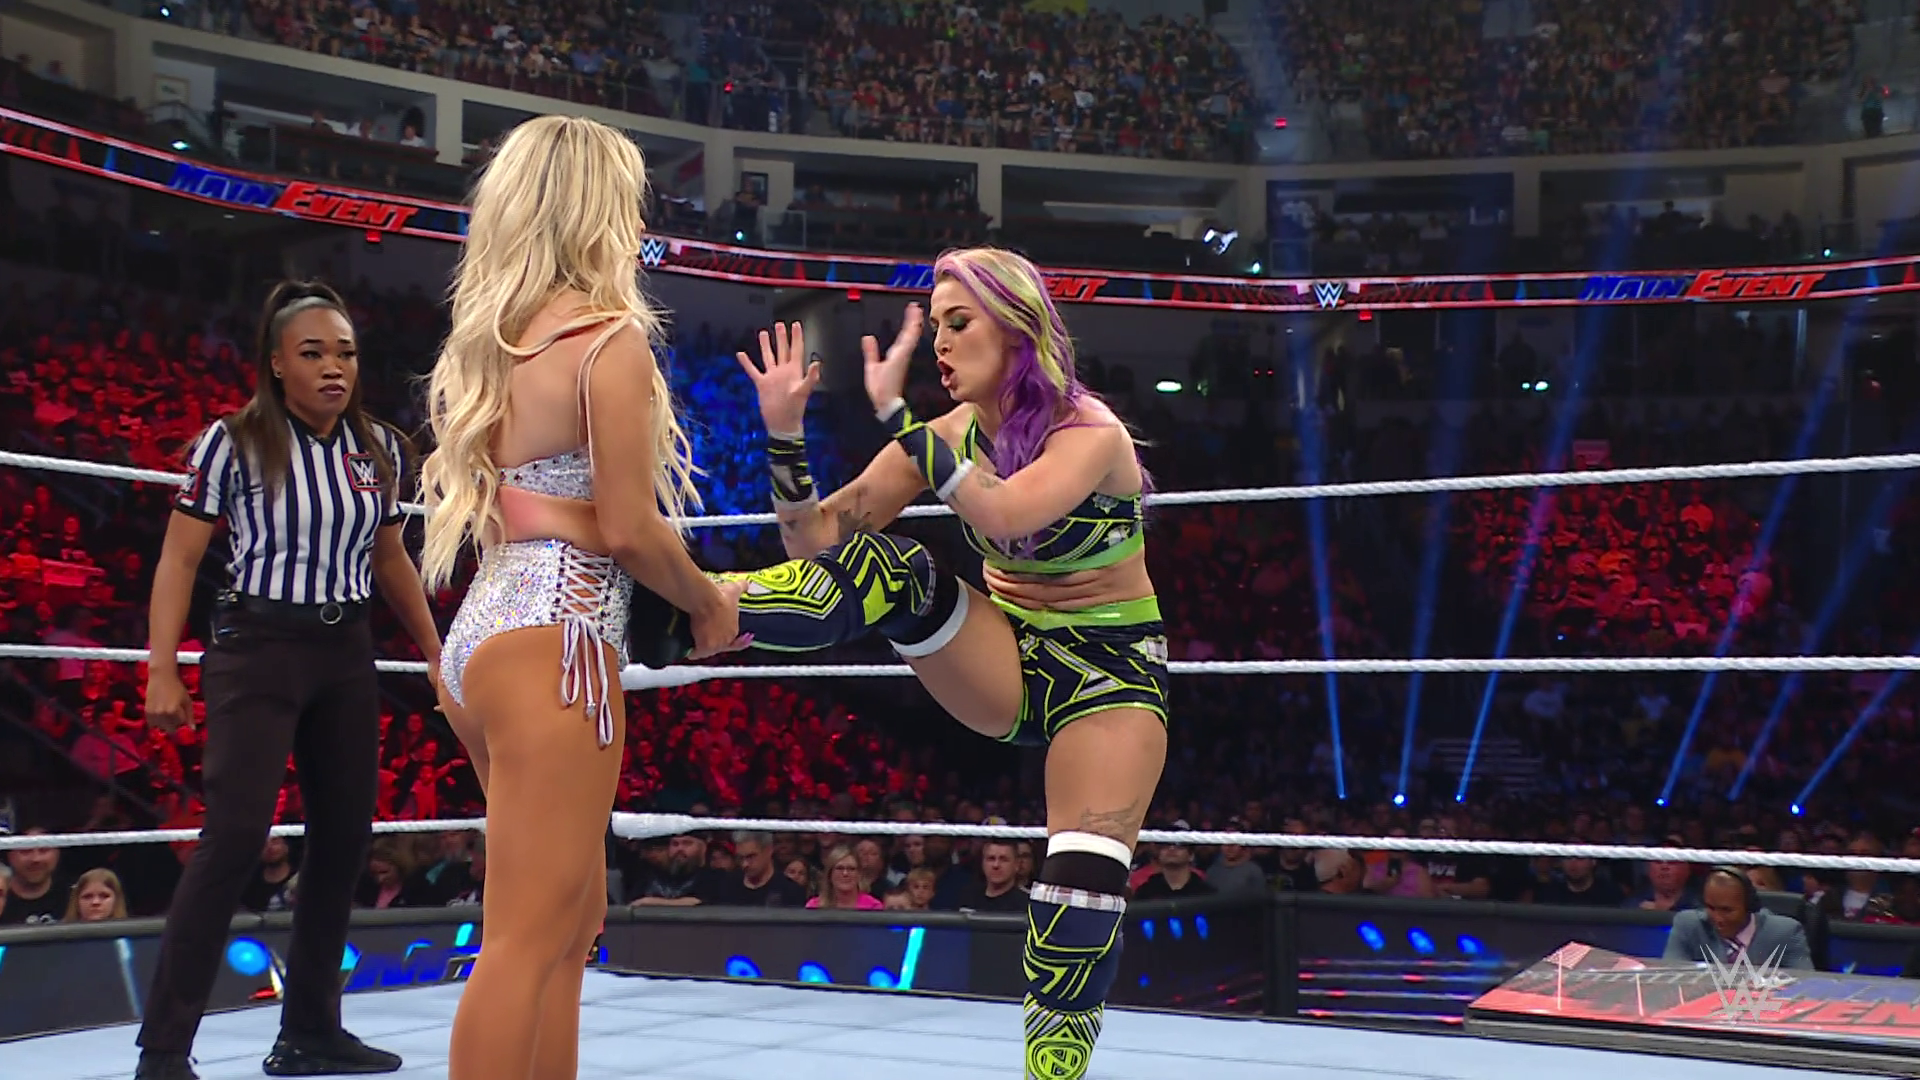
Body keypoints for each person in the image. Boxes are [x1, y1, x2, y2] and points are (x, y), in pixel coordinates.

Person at [734, 246, 1168, 1080]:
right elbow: (816, 542)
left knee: (1078, 891)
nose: (939, 341)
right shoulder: (944, 437)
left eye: (958, 323)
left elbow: (1005, 515)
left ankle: (1054, 1065)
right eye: (934, 325)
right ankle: (711, 614)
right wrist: (785, 433)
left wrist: (899, 416)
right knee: (894, 569)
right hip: (1004, 653)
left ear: (1015, 329)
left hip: (1109, 671)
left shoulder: (1090, 431)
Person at [136, 280, 442, 1080]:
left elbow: (390, 558)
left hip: (344, 651)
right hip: (259, 648)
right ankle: (163, 1049)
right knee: (234, 836)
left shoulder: (377, 448)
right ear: (277, 364)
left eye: (345, 353)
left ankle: (309, 1030)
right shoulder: (232, 442)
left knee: (343, 839)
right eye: (313, 354)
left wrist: (435, 650)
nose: (333, 368)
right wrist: (162, 667)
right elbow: (179, 558)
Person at [1664, 867, 1814, 971]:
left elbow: (1805, 986)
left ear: (1749, 906)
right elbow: (1670, 976)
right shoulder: (1688, 925)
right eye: (1711, 908)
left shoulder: (1785, 933)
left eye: (1727, 910)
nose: (1717, 918)